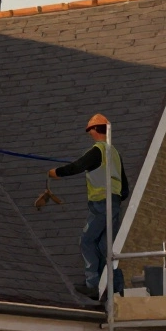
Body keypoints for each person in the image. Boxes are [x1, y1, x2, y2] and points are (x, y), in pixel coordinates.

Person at [48, 114, 130, 299]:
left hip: (100, 203)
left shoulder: (97, 151)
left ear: (94, 130)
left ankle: (93, 284)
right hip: (114, 204)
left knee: (87, 240)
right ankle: (116, 287)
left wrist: (56, 173)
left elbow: (77, 166)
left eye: (90, 130)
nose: (89, 133)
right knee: (105, 246)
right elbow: (125, 189)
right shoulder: (114, 153)